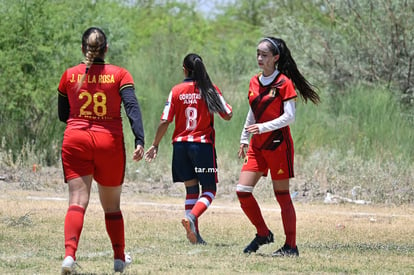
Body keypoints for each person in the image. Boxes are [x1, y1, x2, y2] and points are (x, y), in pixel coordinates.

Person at [57, 27, 145, 274]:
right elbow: (132, 107)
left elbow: (63, 115)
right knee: (112, 206)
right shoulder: (120, 74)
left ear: (82, 48)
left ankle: (68, 257)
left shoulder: (69, 75)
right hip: (109, 143)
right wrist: (140, 139)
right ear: (106, 49)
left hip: (76, 139)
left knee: (77, 201)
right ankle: (119, 258)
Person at [236, 37, 320, 257]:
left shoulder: (284, 82)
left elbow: (289, 117)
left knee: (282, 195)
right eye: (258, 53)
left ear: (275, 58)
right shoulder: (254, 81)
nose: (259, 58)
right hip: (257, 145)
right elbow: (252, 112)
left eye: (264, 55)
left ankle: (291, 246)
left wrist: (262, 128)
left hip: (278, 145)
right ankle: (263, 233)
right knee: (242, 191)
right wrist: (245, 138)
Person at [144, 53, 232, 245]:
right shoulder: (210, 90)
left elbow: (165, 120)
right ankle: (191, 217)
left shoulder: (176, 90)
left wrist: (155, 144)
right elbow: (228, 115)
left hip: (180, 148)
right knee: (209, 190)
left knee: (191, 190)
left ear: (184, 69)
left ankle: (194, 235)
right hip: (202, 148)